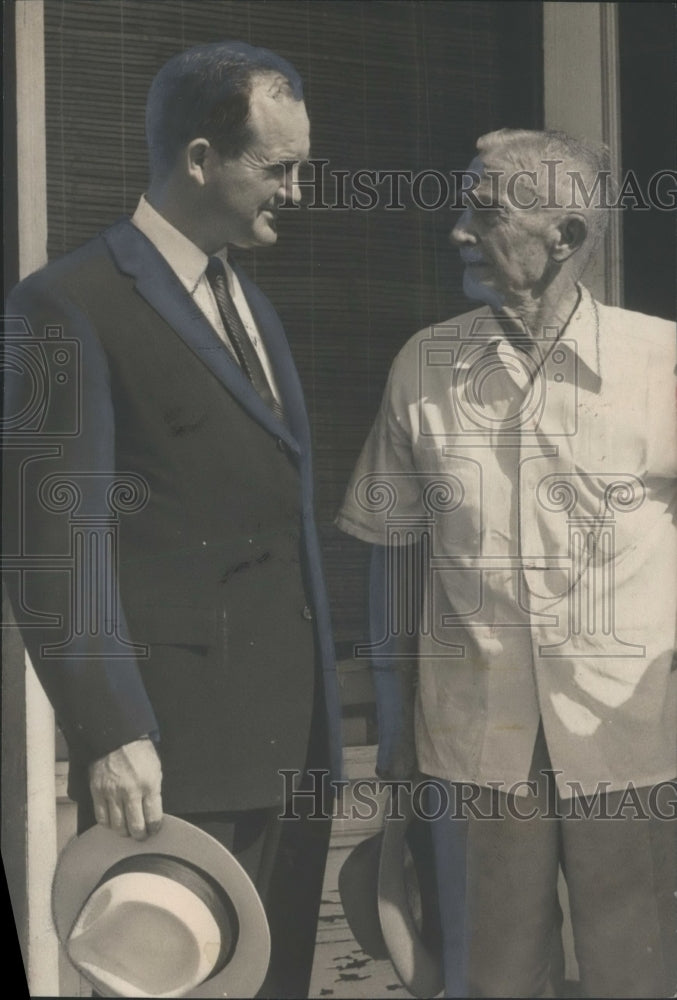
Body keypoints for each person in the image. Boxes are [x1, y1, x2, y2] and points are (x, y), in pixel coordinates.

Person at [3, 40, 342, 998]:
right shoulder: (63, 307)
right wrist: (108, 730)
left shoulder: (255, 308)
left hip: (289, 748)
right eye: (278, 169)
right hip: (172, 757)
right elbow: (52, 541)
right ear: (200, 159)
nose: (298, 191)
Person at [337, 129, 677, 998]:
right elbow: (392, 558)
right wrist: (392, 725)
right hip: (474, 745)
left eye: (483, 213)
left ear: (563, 238)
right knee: (491, 981)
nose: (455, 231)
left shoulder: (658, 362)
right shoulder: (424, 365)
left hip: (633, 747)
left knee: (639, 977)